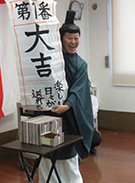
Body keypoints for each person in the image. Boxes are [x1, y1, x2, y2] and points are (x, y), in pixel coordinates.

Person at [38, 10, 94, 183]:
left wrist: (67, 105)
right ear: (61, 39)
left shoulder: (81, 64)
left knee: (67, 154)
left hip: (69, 116)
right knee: (47, 153)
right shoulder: (53, 60)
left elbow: (78, 90)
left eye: (76, 37)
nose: (73, 41)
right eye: (69, 38)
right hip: (50, 112)